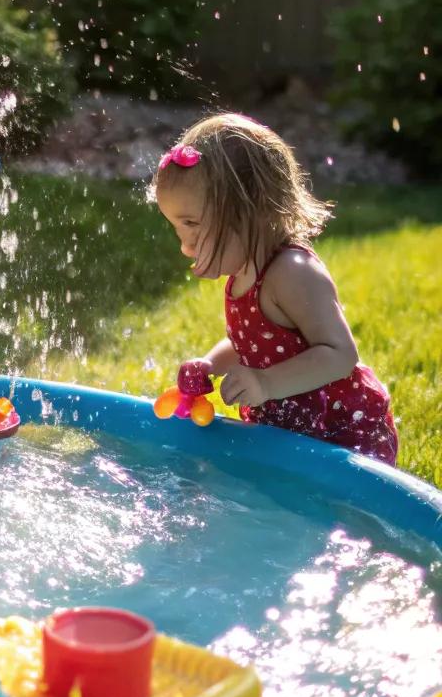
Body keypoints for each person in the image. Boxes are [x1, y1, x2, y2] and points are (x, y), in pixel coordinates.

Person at [154, 113, 398, 464]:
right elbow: (252, 345)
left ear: (250, 210)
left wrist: (266, 384)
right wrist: (210, 364)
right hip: (291, 434)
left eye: (192, 224)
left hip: (342, 438)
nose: (184, 244)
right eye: (177, 227)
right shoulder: (243, 274)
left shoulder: (292, 272)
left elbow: (340, 354)